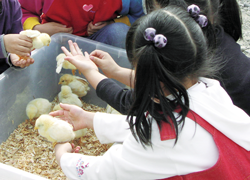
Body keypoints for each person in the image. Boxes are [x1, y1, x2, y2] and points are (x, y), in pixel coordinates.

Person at [50, 5, 250, 179]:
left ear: (145, 71)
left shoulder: (162, 141)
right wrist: (90, 119)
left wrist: (63, 156)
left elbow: (103, 172)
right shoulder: (210, 90)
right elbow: (151, 123)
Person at [81, 0, 250, 116]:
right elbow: (159, 86)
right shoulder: (210, 43)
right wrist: (116, 71)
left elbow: (136, 101)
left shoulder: (186, 71)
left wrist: (92, 73)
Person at [18, 0, 144, 49]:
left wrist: (112, 23)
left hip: (99, 42)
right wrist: (38, 28)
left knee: (119, 32)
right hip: (56, 42)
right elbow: (20, 10)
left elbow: (140, 16)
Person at [0, 0, 34, 74]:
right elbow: (5, 44)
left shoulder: (13, 5)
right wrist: (3, 44)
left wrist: (17, 54)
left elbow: (16, 35)